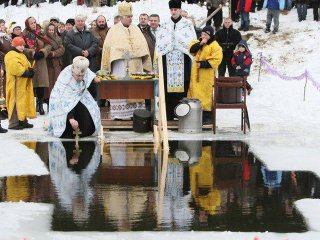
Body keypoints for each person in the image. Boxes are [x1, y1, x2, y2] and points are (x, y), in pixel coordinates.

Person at [101, 2, 152, 120]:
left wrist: (147, 67)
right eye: (128, 17)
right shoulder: (113, 30)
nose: (130, 19)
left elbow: (143, 47)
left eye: (131, 16)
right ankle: (119, 115)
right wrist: (106, 69)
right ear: (121, 17)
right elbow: (107, 50)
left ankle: (137, 115)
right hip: (120, 66)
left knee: (136, 89)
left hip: (136, 66)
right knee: (121, 89)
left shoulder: (136, 29)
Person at [156, 0, 197, 120]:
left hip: (182, 59)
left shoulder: (187, 25)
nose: (174, 12)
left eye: (176, 10)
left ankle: (181, 114)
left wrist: (180, 45)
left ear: (180, 10)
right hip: (167, 59)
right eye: (172, 10)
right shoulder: (164, 25)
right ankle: (168, 114)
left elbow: (192, 42)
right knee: (167, 88)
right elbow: (160, 42)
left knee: (183, 86)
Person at [48, 56, 101, 138]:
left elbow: (87, 72)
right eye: (78, 76)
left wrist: (94, 78)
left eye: (82, 76)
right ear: (73, 72)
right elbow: (66, 100)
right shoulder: (66, 79)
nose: (80, 78)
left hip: (79, 95)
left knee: (92, 107)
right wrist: (71, 118)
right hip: (60, 102)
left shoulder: (80, 68)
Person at [188, 26, 222, 124]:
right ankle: (195, 114)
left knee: (205, 95)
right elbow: (191, 50)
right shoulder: (197, 42)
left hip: (206, 75)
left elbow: (217, 60)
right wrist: (200, 43)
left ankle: (207, 117)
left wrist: (203, 64)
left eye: (206, 35)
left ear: (210, 36)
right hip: (196, 74)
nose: (204, 36)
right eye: (203, 34)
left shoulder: (215, 46)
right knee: (194, 93)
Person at [4, 37, 36, 130]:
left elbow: (26, 64)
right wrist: (25, 72)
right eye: (20, 45)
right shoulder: (10, 55)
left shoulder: (21, 54)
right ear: (14, 45)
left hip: (22, 84)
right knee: (15, 102)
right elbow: (15, 68)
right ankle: (14, 123)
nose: (22, 47)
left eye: (23, 45)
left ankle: (22, 121)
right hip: (15, 84)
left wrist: (30, 70)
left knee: (23, 102)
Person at [23, 16, 52, 116]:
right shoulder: (24, 35)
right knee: (32, 84)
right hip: (31, 62)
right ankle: (31, 105)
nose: (34, 24)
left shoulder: (41, 33)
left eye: (35, 22)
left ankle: (39, 105)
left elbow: (49, 45)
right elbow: (22, 48)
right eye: (31, 23)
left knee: (41, 85)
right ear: (27, 24)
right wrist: (31, 52)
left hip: (41, 61)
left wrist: (43, 52)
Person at [45, 23, 65, 101]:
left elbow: (62, 49)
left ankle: (57, 99)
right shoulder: (45, 38)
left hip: (57, 63)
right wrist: (51, 53)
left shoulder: (58, 38)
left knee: (57, 82)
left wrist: (54, 53)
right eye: (49, 30)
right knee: (50, 83)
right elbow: (46, 50)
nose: (51, 31)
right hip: (49, 64)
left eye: (52, 30)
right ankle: (50, 99)